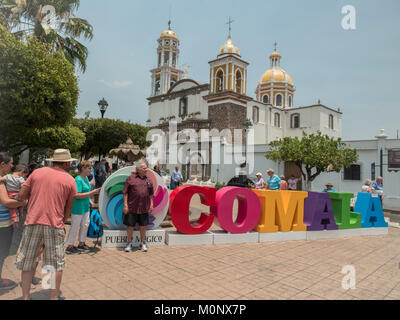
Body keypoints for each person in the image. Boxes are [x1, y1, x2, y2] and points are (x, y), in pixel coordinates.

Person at [15, 149, 78, 300]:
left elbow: (22, 195)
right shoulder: (70, 180)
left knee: (28, 261)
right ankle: (53, 297)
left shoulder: (36, 173)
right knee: (54, 264)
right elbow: (69, 207)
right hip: (54, 224)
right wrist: (62, 220)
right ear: (67, 163)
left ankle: (25, 297)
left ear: (52, 160)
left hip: (33, 221)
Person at [0, 152, 25, 290]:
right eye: (10, 163)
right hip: (2, 225)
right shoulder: (0, 181)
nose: (12, 166)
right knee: (2, 253)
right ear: (2, 164)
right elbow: (5, 201)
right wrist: (22, 203)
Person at [65, 161, 101, 255]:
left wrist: (90, 201)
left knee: (85, 225)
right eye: (89, 168)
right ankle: (70, 246)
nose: (91, 170)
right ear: (83, 168)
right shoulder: (78, 179)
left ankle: (81, 243)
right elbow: (77, 195)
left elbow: (86, 192)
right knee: (75, 226)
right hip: (78, 207)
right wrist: (92, 193)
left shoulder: (85, 179)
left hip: (85, 207)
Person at [123, 161, 154, 253]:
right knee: (130, 226)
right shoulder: (130, 178)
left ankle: (142, 243)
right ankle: (129, 243)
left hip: (144, 207)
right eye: (144, 168)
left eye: (146, 168)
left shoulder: (149, 180)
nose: (146, 170)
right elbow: (125, 192)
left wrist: (151, 204)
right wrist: (125, 205)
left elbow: (151, 194)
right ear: (138, 169)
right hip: (132, 207)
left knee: (143, 226)